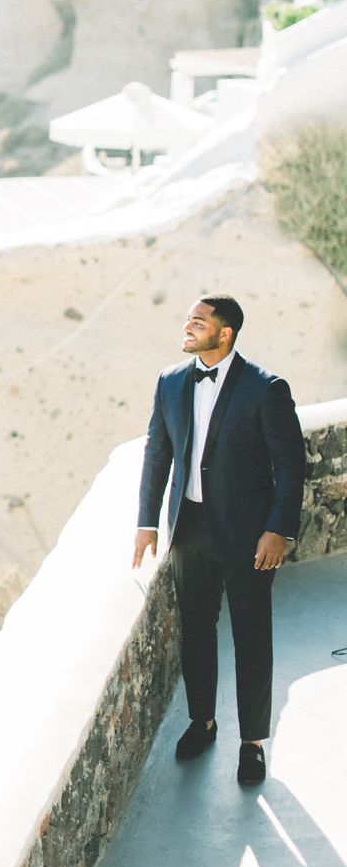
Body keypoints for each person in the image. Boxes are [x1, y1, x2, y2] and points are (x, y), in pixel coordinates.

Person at [132, 296, 304, 787]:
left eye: (198, 321)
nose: (188, 326)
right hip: (190, 528)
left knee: (251, 634)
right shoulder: (169, 381)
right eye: (188, 319)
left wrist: (278, 529)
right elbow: (157, 452)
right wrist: (146, 522)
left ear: (224, 333)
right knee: (197, 629)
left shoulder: (266, 388)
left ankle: (252, 743)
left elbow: (291, 464)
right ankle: (202, 722)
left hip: (250, 532)